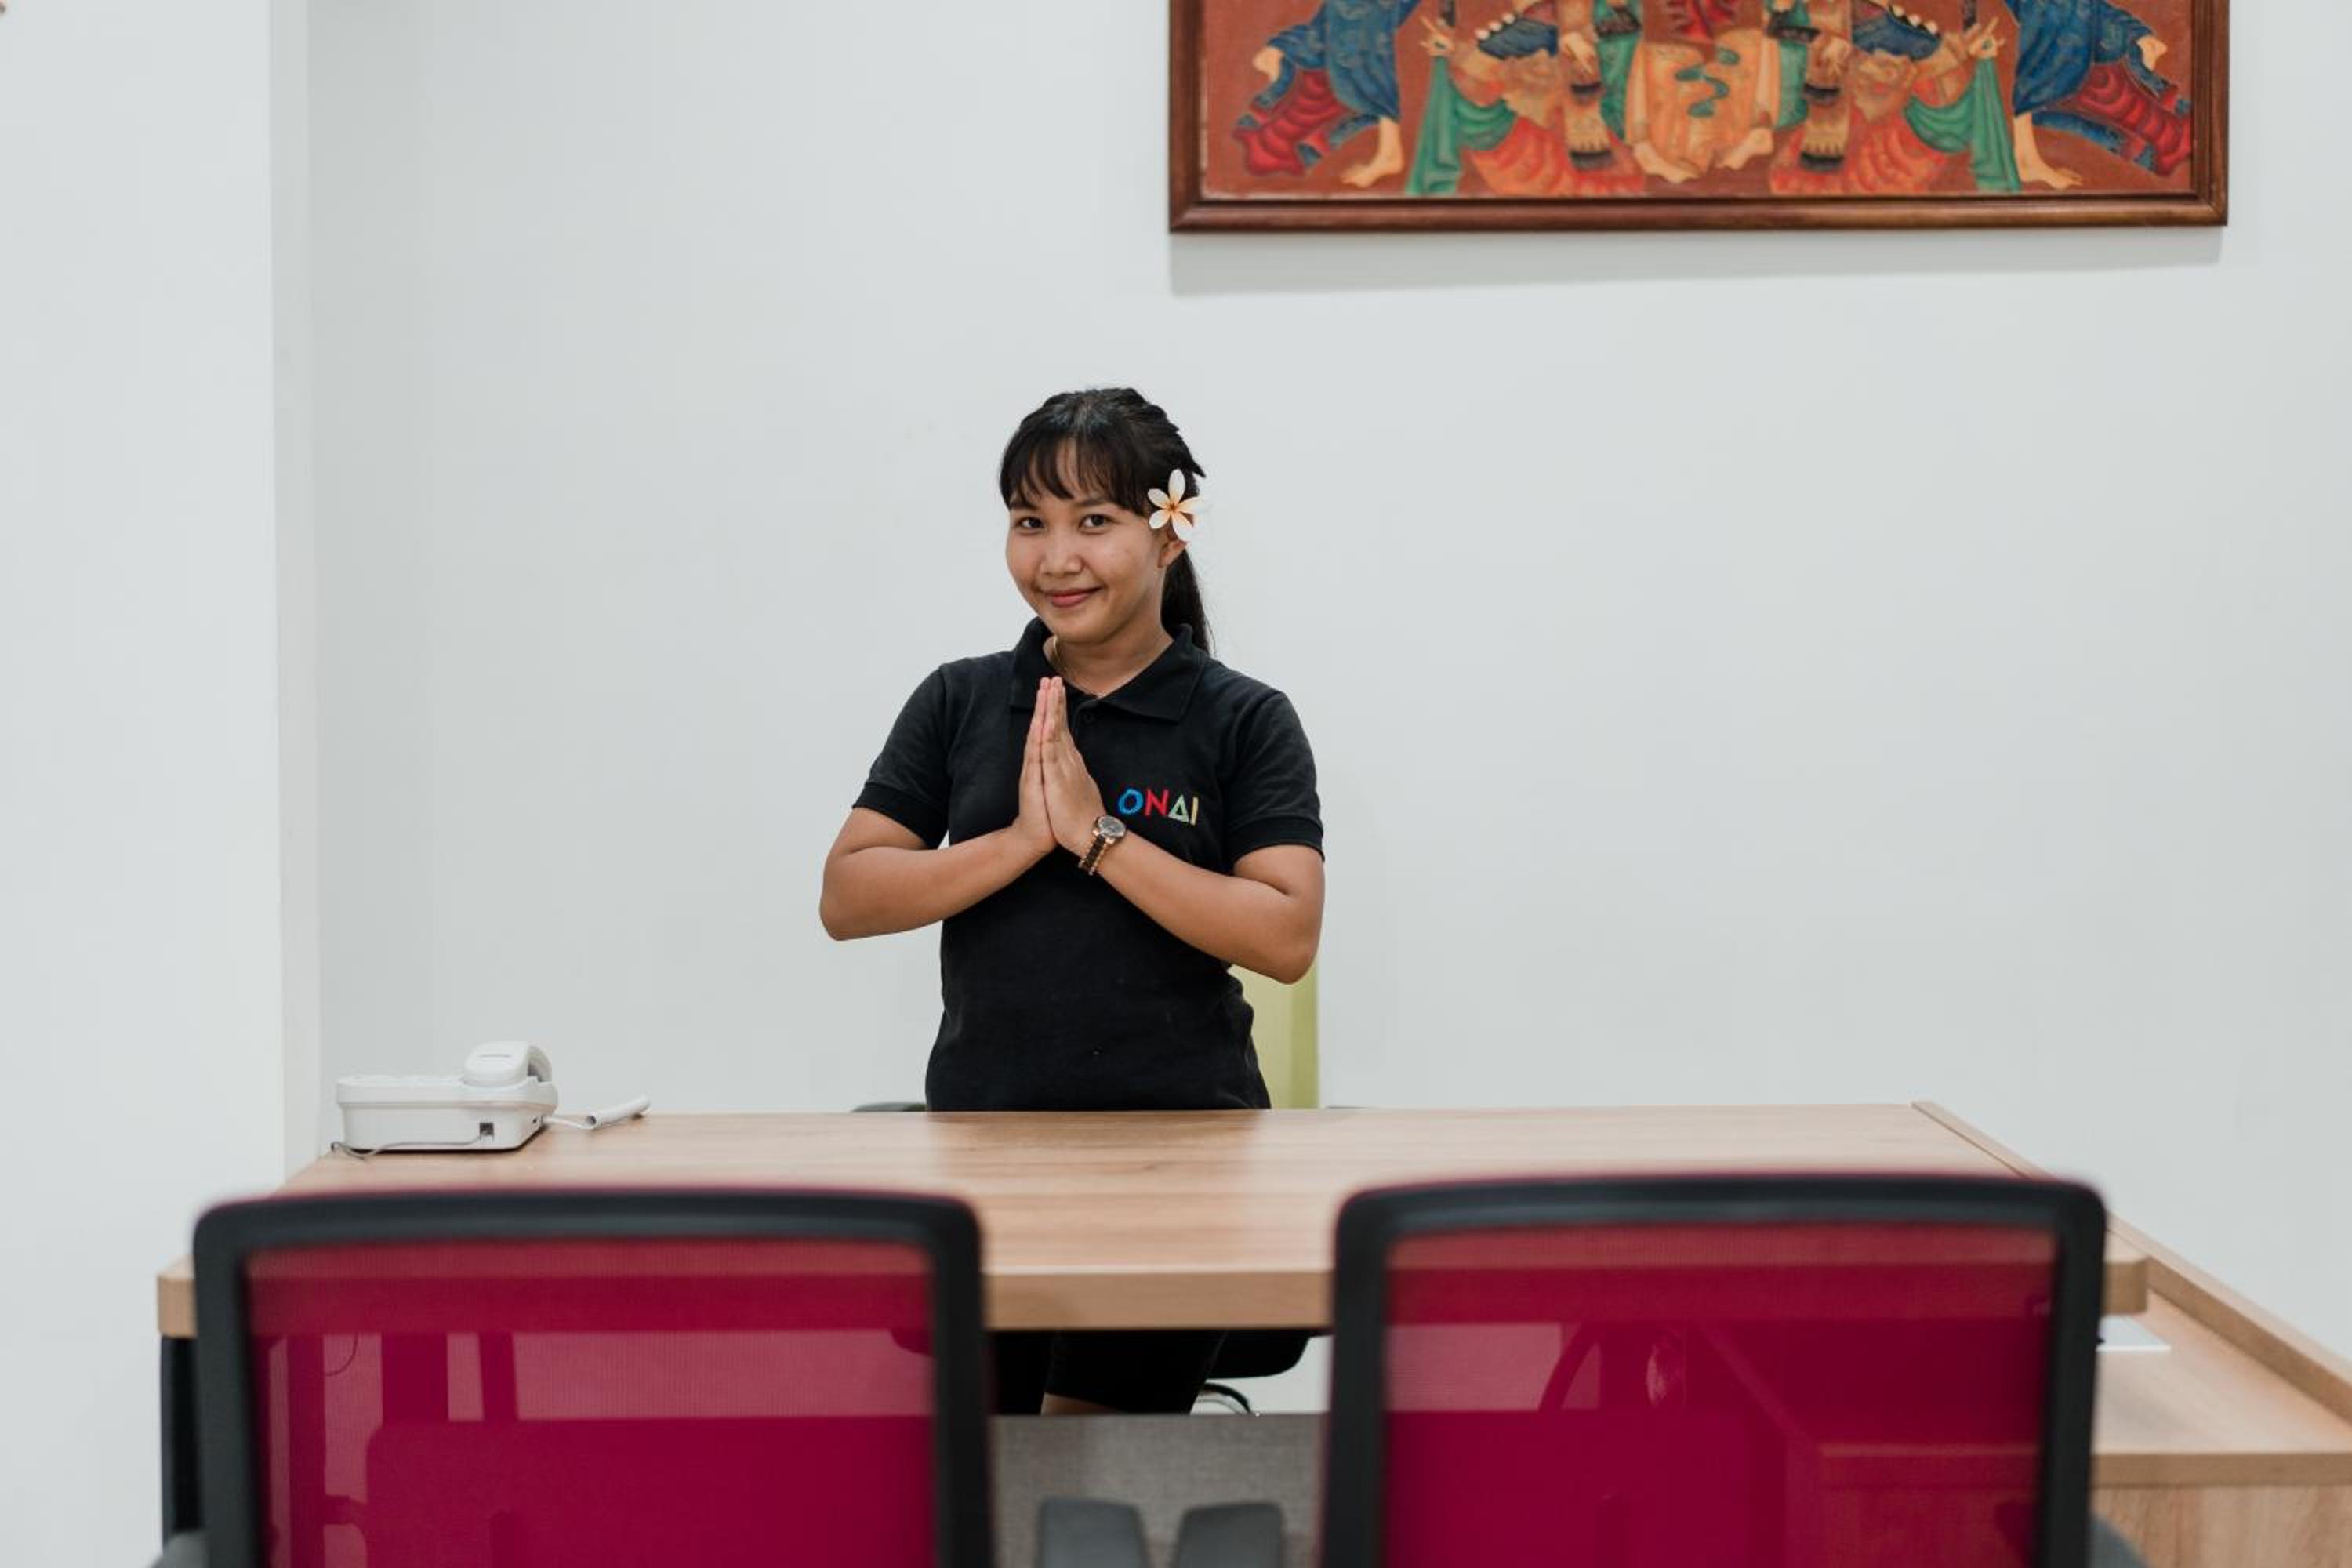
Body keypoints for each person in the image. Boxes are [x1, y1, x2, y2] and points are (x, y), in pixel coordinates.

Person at [819, 387, 1327, 1415]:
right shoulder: (961, 699)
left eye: (1094, 521)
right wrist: (1020, 840)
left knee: (1078, 1450)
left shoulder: (1242, 719)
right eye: (1029, 521)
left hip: (1178, 1159)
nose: (1056, 559)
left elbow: (1285, 934)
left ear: (1169, 532)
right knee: (988, 1456)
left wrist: (1099, 836)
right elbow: (849, 894)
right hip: (985, 1149)